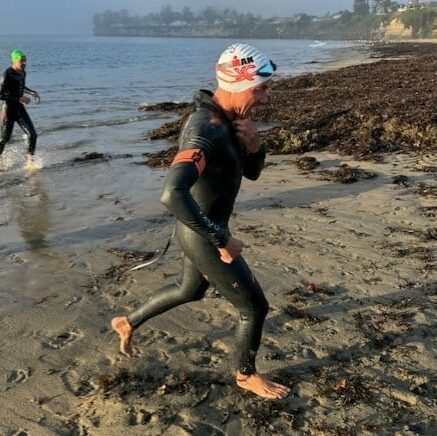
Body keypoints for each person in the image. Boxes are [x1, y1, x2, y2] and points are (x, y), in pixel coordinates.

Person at [112, 43, 290, 400]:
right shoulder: (204, 129)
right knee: (254, 307)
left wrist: (256, 148)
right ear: (237, 84)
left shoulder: (230, 121)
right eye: (260, 89)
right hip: (203, 234)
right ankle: (245, 375)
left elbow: (249, 175)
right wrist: (221, 239)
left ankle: (127, 321)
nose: (265, 99)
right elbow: (172, 194)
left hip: (200, 228)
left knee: (189, 290)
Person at [0, 49, 40, 169]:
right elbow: (0, 95)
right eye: (21, 61)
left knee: (33, 135)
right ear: (14, 60)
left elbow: (21, 86)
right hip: (8, 110)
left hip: (19, 109)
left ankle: (30, 161)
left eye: (25, 60)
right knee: (5, 138)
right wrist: (19, 99)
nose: (24, 63)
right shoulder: (7, 74)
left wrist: (32, 92)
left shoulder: (23, 73)